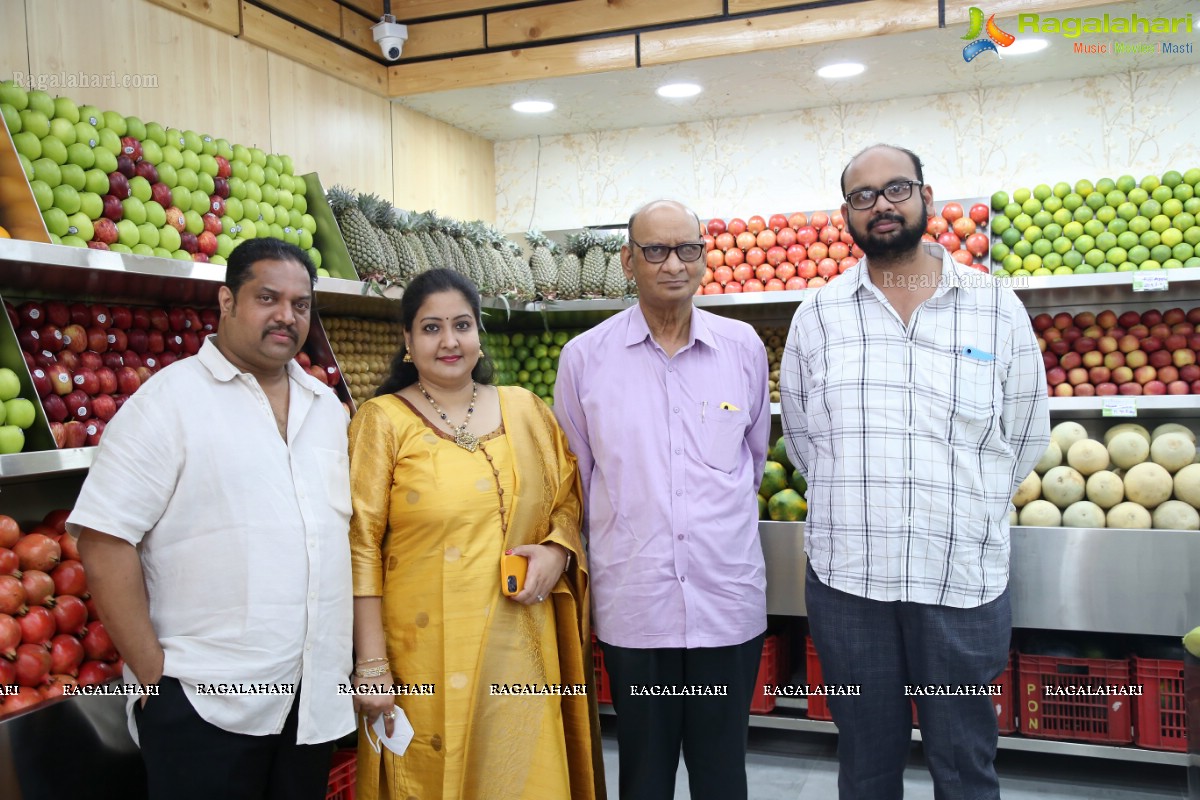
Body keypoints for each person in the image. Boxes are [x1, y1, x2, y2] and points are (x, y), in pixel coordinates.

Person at [779, 144, 1051, 800]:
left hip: (959, 580)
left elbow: (1025, 433)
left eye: (896, 188)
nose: (882, 205)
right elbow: (804, 441)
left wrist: (966, 504)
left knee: (965, 762)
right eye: (863, 196)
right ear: (847, 212)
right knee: (866, 763)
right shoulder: (817, 315)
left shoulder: (995, 308)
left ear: (926, 195)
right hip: (850, 583)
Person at [67, 238, 355, 800]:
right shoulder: (167, 403)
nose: (285, 316)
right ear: (226, 301)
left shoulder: (328, 412)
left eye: (300, 305)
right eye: (267, 297)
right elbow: (103, 541)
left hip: (311, 705)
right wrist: (156, 676)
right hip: (204, 704)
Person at [346, 268, 604, 800]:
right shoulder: (383, 420)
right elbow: (360, 543)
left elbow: (567, 498)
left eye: (461, 325)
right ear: (407, 342)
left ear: (478, 332)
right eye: (431, 328)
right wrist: (371, 663)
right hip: (422, 652)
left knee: (522, 775)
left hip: (522, 645)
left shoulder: (526, 410)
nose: (449, 341)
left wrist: (557, 550)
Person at [553, 200, 771, 800]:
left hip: (724, 602)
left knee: (722, 772)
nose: (673, 264)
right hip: (636, 605)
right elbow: (578, 480)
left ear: (704, 255)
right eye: (655, 251)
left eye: (687, 249)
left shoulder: (742, 347)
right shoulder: (585, 359)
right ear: (628, 260)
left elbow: (751, 463)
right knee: (644, 773)